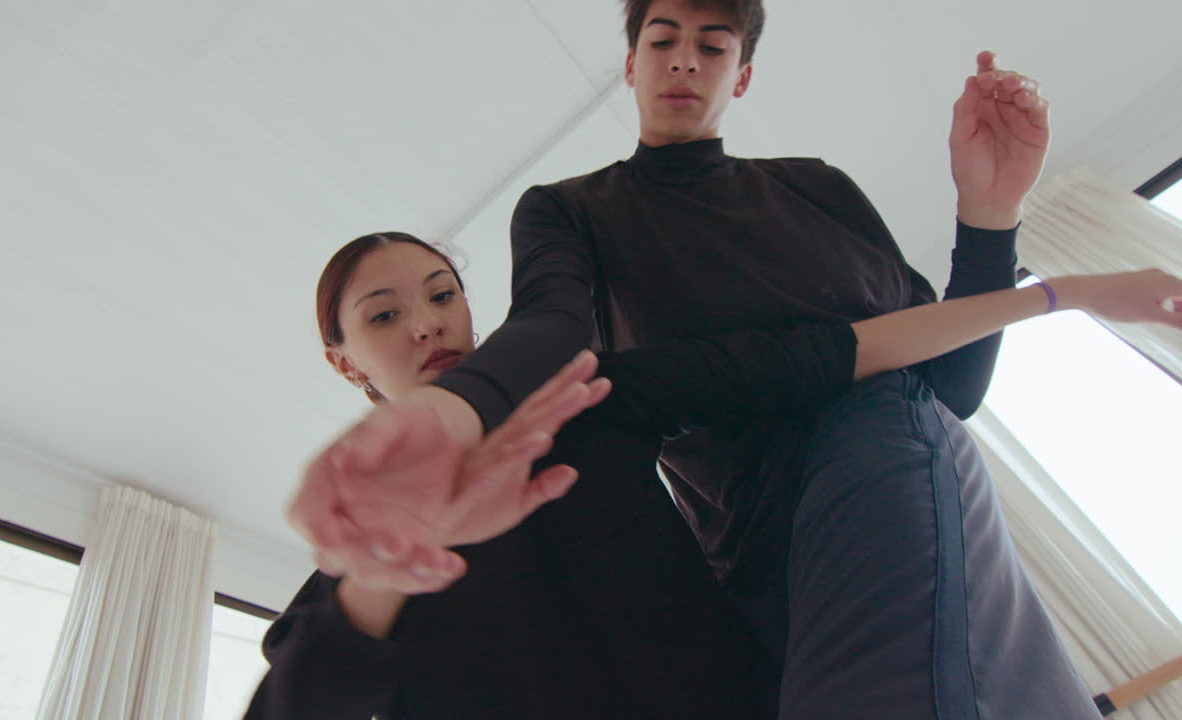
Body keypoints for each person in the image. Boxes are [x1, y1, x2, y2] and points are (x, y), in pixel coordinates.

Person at [289, 2, 1182, 717]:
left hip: (880, 459)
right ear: (630, 63)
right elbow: (554, 324)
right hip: (752, 557)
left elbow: (945, 390)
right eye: (662, 38)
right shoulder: (573, 212)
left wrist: (990, 221)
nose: (685, 59)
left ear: (742, 74)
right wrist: (452, 413)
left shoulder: (816, 188)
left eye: (713, 45)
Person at [254, 233, 1182, 719]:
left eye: (441, 294)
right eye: (383, 316)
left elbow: (837, 353)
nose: (426, 326)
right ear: (348, 364)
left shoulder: (600, 400)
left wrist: (1067, 295)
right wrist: (389, 567)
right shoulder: (350, 585)